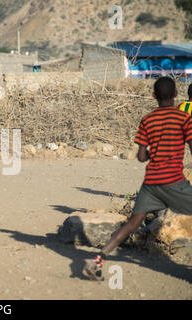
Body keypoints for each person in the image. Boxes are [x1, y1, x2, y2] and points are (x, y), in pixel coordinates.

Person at [83, 76, 192, 281]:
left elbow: (141, 157)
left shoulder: (147, 120)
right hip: (173, 181)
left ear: (153, 96)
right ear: (176, 94)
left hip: (151, 183)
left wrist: (156, 154)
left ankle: (96, 261)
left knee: (132, 224)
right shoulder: (184, 118)